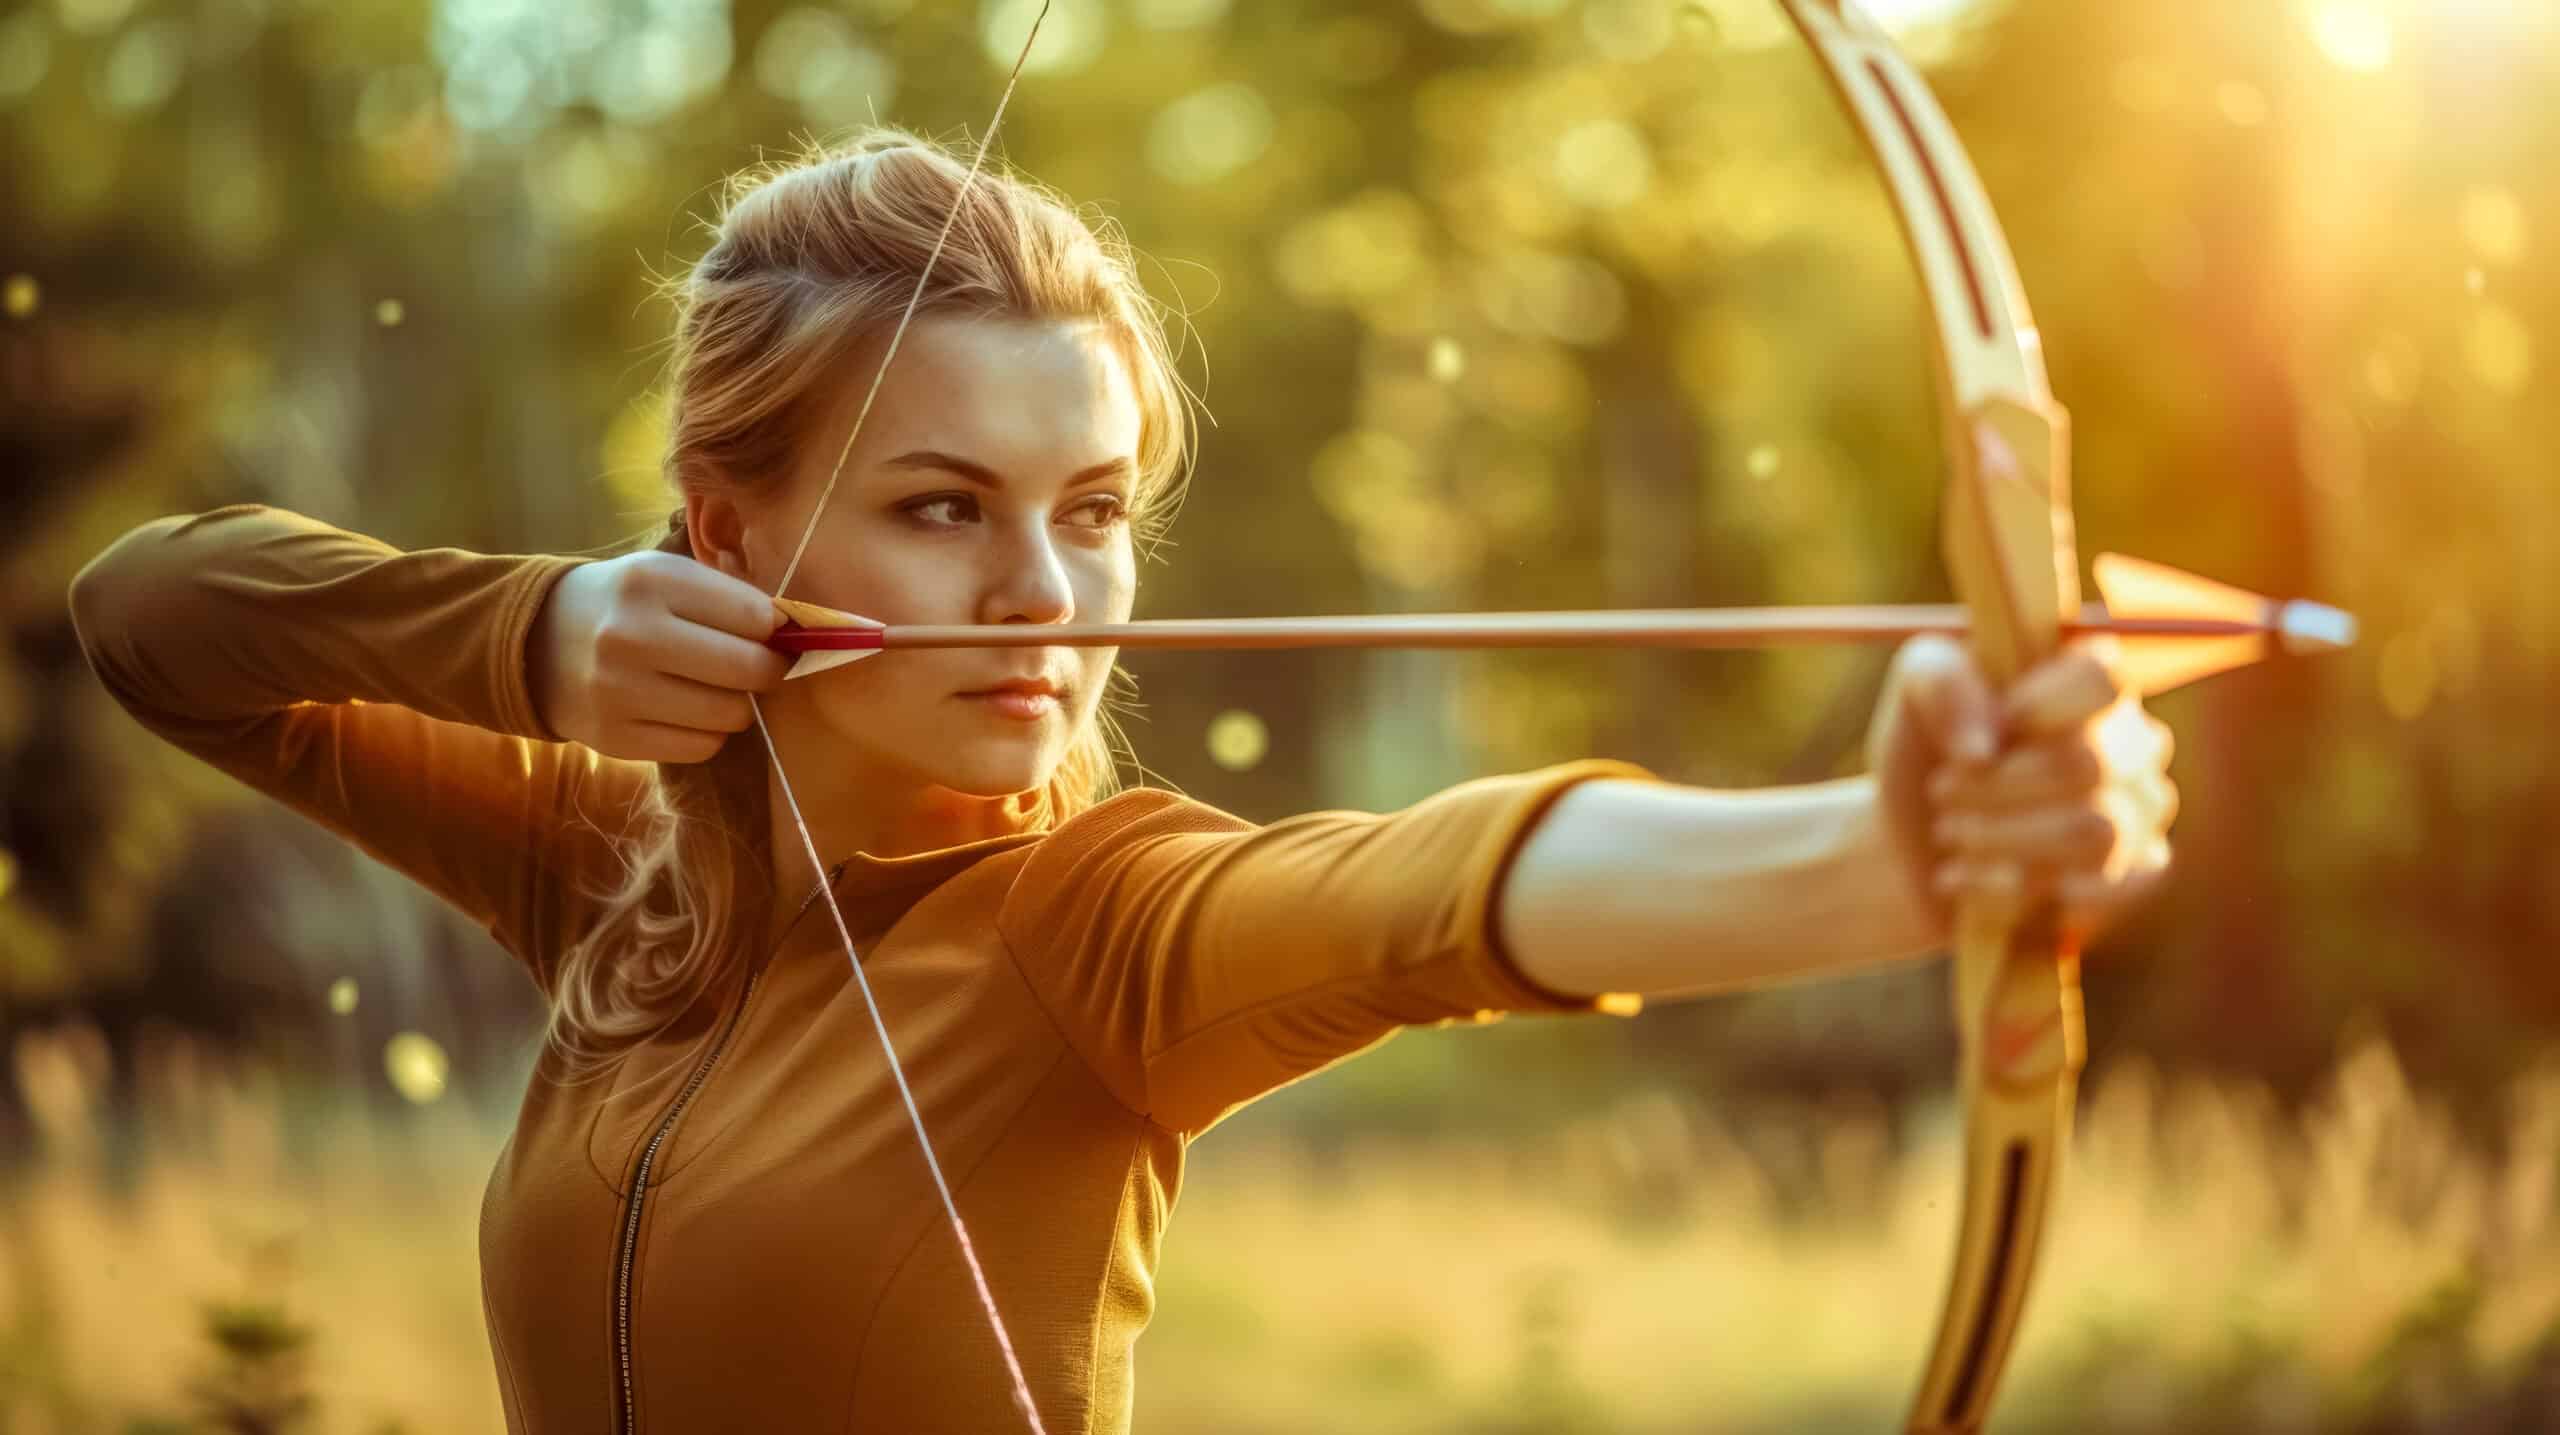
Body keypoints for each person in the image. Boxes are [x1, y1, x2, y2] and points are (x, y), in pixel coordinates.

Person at [67, 131, 2176, 1434]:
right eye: (937, 506)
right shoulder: (615, 862)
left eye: (1089, 510)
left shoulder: (1096, 924)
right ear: (725, 531)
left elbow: (1435, 893)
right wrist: (529, 633)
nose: (1039, 595)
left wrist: (1886, 850)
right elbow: (150, 614)